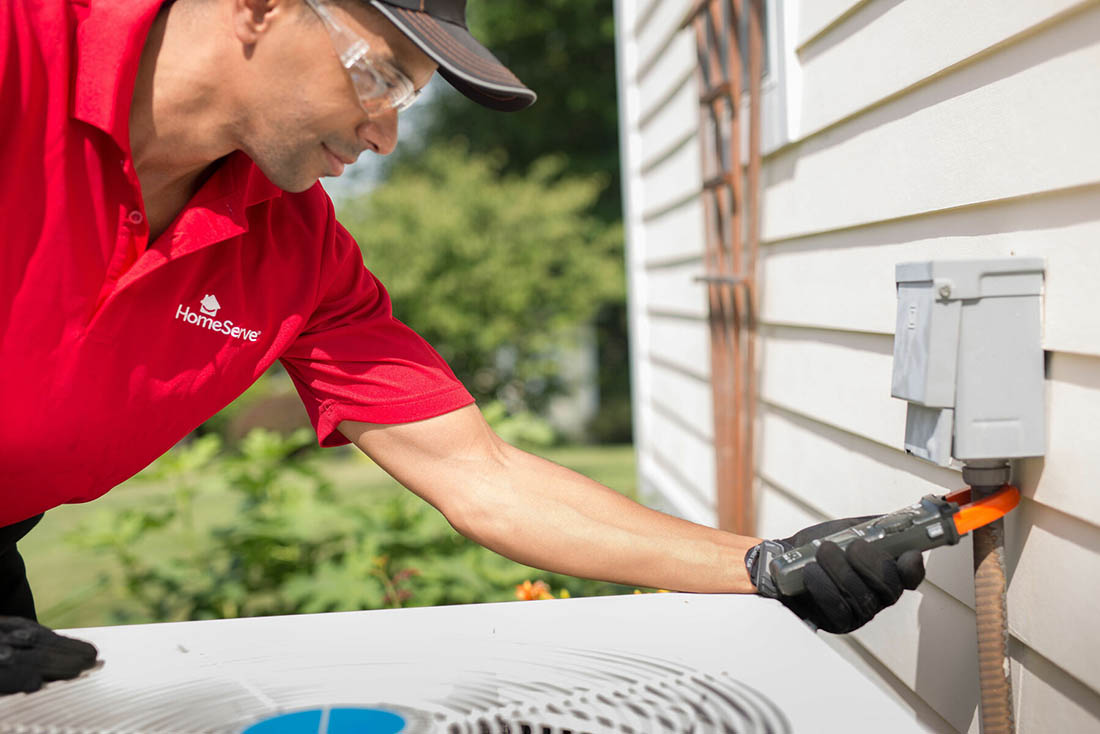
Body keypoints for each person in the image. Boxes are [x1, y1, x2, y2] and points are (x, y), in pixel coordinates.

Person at [0, 0, 925, 695]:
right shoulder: (21, 52)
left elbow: (480, 474)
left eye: (407, 97)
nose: (385, 135)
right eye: (379, 77)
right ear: (259, 8)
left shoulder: (299, 252)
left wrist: (764, 564)